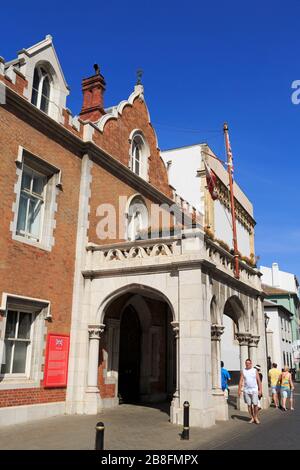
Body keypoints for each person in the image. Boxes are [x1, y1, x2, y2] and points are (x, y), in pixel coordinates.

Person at [238, 358, 262, 424]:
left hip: (254, 389)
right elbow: (241, 381)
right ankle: (252, 417)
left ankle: (256, 417)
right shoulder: (243, 371)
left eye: (249, 363)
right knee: (249, 405)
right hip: (246, 390)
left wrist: (260, 390)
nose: (247, 364)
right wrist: (239, 390)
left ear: (251, 364)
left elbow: (259, 381)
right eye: (246, 363)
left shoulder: (255, 371)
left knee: (255, 404)